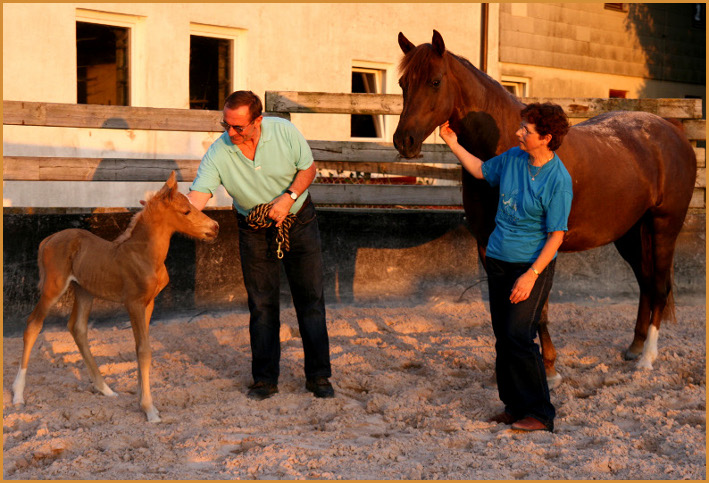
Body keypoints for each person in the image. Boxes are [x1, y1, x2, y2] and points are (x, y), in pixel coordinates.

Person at [188, 90, 334, 400]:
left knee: (310, 300)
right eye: (225, 125)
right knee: (262, 305)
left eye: (238, 127)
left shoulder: (284, 131)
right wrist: (165, 210)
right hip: (252, 229)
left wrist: (288, 198)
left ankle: (319, 377)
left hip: (299, 221)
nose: (231, 133)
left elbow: (308, 169)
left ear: (258, 120)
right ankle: (265, 380)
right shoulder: (218, 152)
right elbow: (196, 199)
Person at [440, 102, 572, 432]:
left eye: (526, 130)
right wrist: (451, 142)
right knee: (503, 337)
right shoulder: (513, 158)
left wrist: (531, 275)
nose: (518, 133)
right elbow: (482, 171)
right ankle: (513, 407)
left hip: (531, 266)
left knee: (519, 335)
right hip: (498, 260)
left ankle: (541, 413)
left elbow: (556, 237)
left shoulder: (558, 180)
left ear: (546, 138)